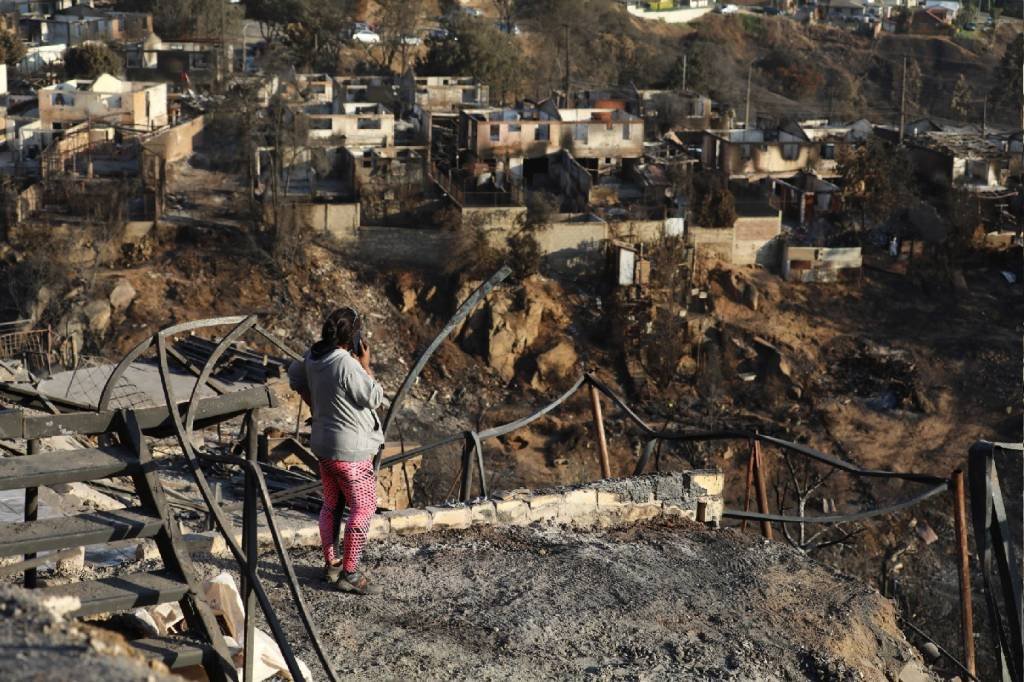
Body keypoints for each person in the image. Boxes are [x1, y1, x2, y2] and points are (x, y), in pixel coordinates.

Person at [287, 307, 384, 595]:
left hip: (323, 447)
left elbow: (294, 375)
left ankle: (332, 565)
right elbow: (374, 397)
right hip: (350, 452)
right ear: (353, 336)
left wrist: (315, 404)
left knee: (331, 504)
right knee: (363, 507)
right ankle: (350, 574)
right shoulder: (346, 364)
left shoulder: (314, 356)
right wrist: (366, 365)